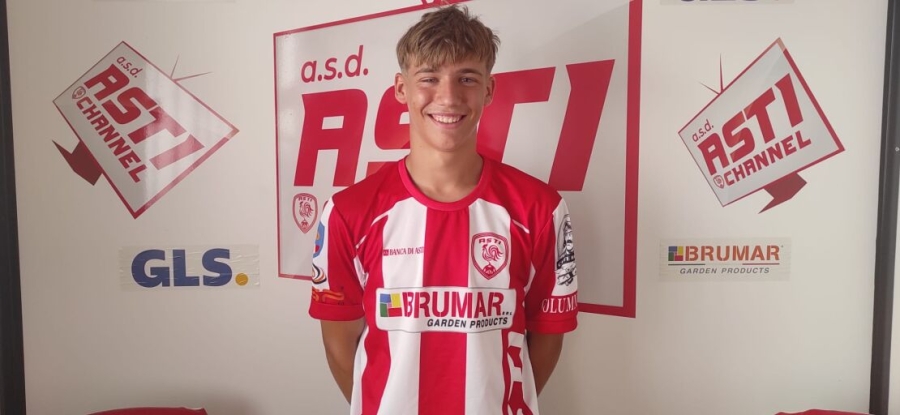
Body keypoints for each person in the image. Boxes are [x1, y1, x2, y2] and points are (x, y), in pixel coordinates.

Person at [308, 4, 579, 414]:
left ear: (489, 90)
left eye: (466, 78)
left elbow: (547, 338)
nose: (448, 97)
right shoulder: (348, 212)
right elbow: (339, 344)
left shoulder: (541, 209)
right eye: (429, 78)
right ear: (401, 89)